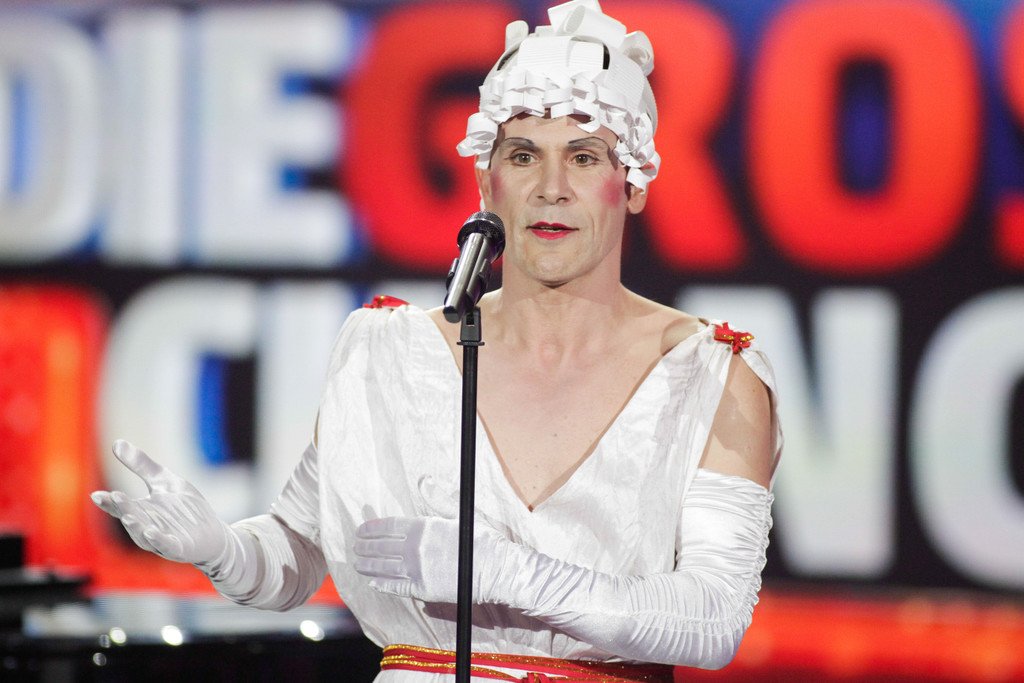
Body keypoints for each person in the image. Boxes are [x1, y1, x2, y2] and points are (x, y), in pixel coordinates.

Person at [92, 1, 782, 680]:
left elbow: (713, 619)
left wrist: (503, 571)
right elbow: (297, 553)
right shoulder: (390, 356)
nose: (551, 188)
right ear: (487, 180)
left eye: (583, 156)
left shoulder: (711, 375)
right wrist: (219, 549)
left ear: (631, 183)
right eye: (523, 156)